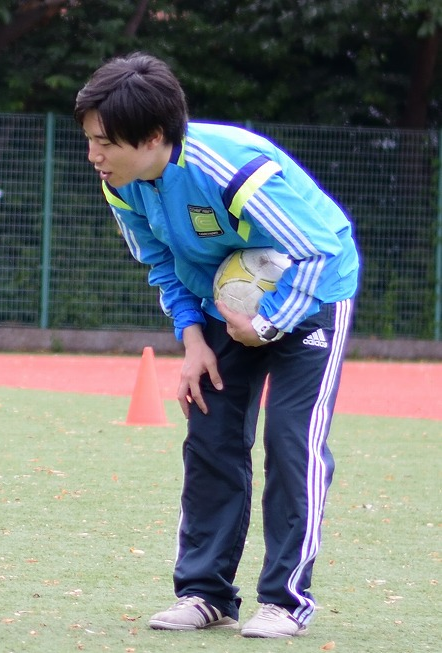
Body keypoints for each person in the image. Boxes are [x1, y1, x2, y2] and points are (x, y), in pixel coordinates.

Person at [74, 53, 359, 638]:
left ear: (153, 137)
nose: (93, 156)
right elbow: (160, 261)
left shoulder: (229, 170)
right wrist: (193, 339)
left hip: (313, 297)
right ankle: (205, 593)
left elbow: (317, 251)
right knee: (211, 436)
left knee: (290, 442)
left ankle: (284, 601)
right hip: (221, 311)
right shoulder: (123, 184)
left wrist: (270, 323)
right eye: (90, 140)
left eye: (104, 142)